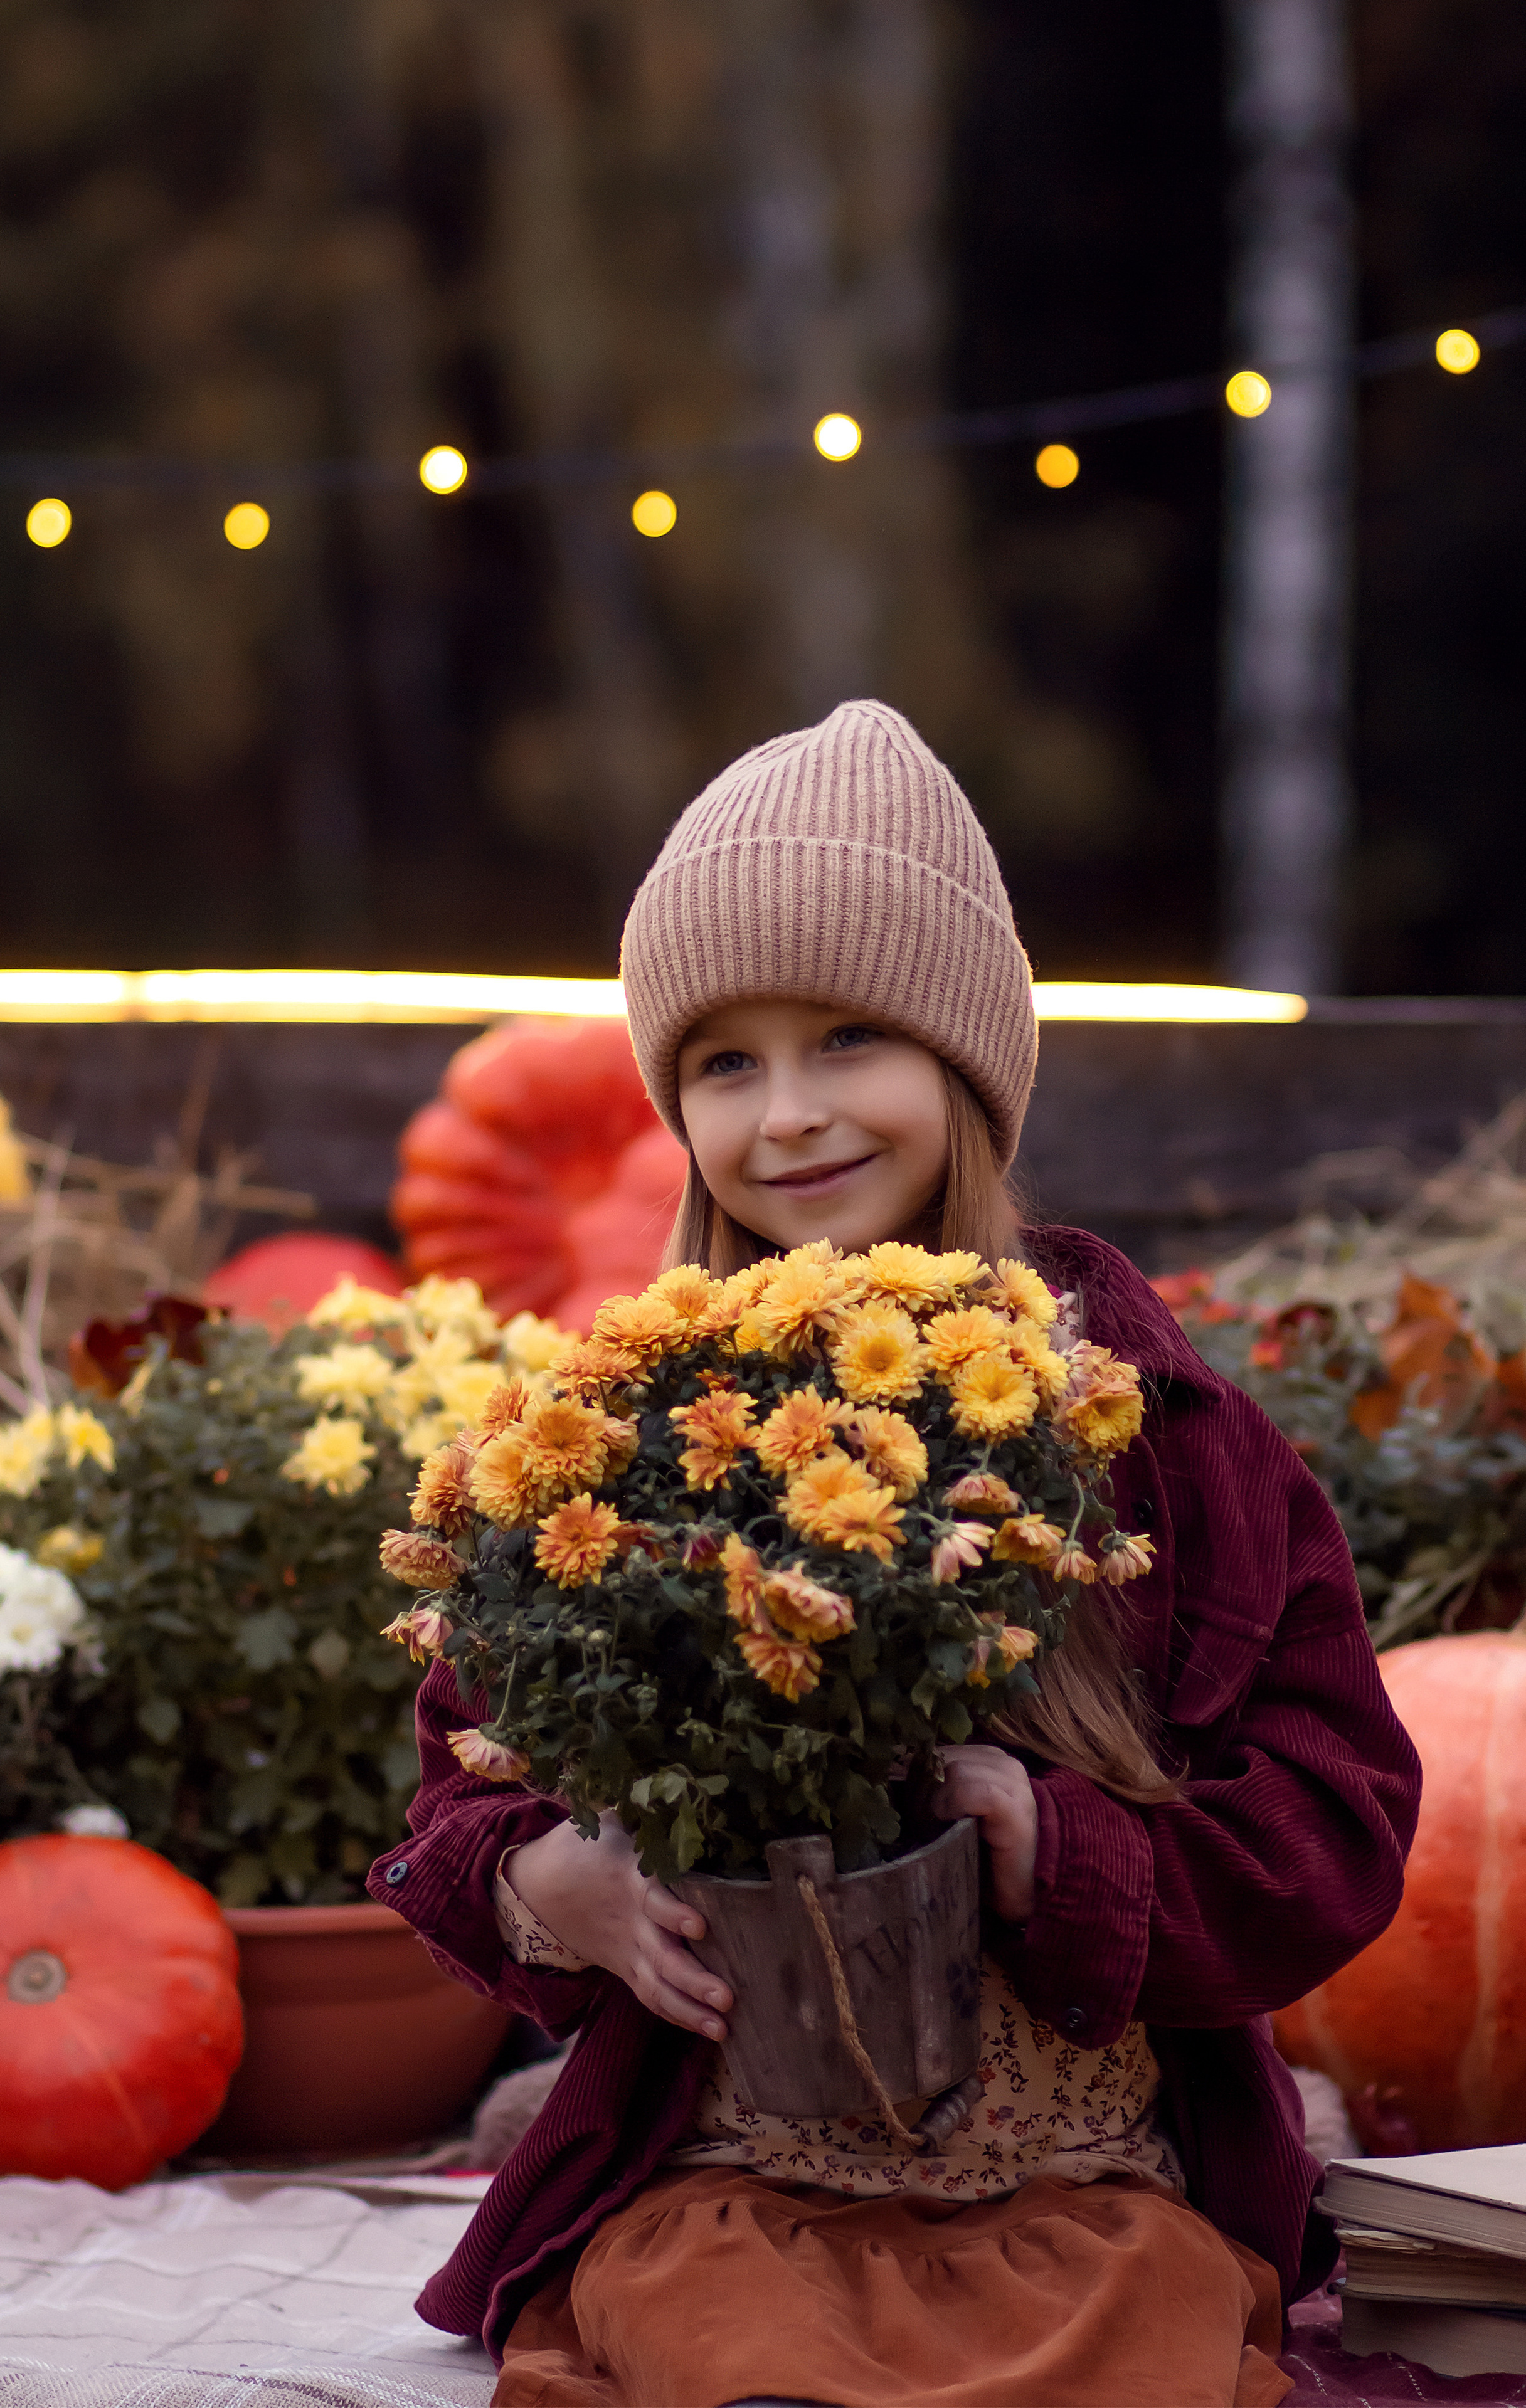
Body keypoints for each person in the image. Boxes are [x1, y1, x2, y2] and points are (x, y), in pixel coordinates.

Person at [369, 700, 1419, 2408]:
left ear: (969, 1060)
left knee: (1128, 2330)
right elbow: (461, 1782)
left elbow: (1342, 1818)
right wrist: (537, 1886)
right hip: (736, 2171)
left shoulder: (1157, 1432)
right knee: (705, 2320)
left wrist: (1047, 1840)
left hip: (1081, 2177)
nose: (788, 1117)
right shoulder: (625, 1434)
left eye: (850, 1037)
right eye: (726, 1062)